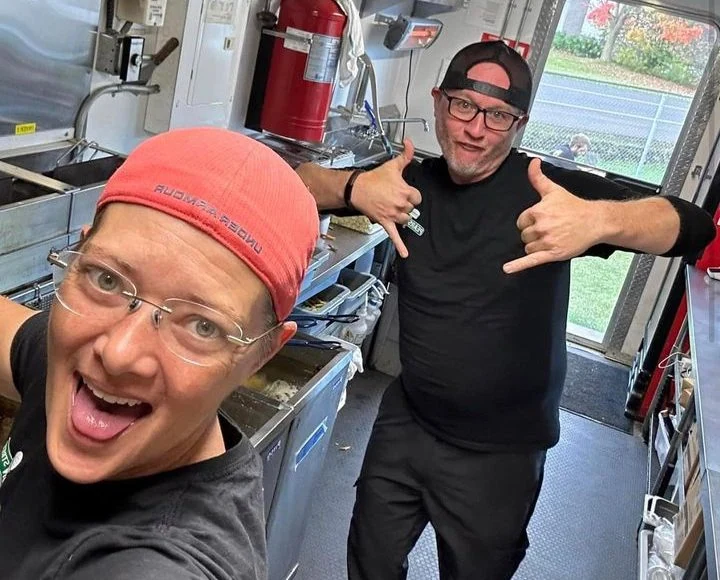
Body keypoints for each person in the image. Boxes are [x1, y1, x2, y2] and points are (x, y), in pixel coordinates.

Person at [296, 41, 715, 580]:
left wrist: (599, 222)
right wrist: (354, 187)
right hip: (408, 422)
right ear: (439, 101)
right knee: (369, 562)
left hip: (501, 453)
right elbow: (302, 184)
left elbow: (693, 226)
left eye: (498, 115)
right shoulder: (408, 184)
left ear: (519, 123)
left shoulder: (550, 194)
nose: (475, 129)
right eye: (463, 105)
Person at [0, 128, 319, 579]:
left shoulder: (167, 564)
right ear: (82, 252)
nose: (119, 354)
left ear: (261, 355)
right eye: (107, 280)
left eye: (201, 326)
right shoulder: (73, 372)